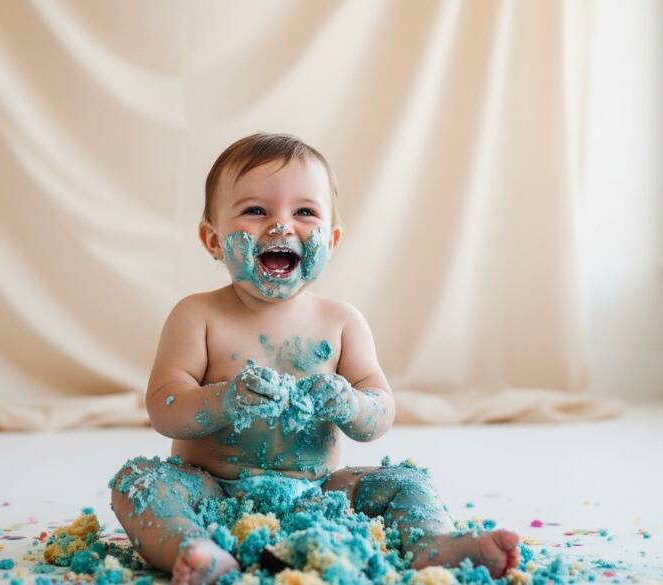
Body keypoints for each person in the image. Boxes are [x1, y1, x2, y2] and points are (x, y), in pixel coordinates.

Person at [110, 133, 520, 584]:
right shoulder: (197, 315)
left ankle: (432, 545)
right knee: (139, 482)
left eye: (304, 212)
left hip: (320, 495)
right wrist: (224, 400)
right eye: (255, 210)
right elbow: (165, 407)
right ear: (212, 238)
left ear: (333, 237)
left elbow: (379, 412)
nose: (282, 226)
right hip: (210, 491)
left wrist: (351, 404)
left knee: (407, 482)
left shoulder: (341, 322)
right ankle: (194, 548)